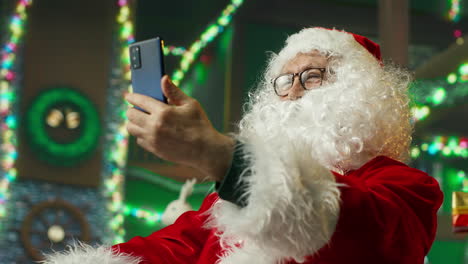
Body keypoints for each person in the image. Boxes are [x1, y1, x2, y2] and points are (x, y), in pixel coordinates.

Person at [42, 27, 443, 264]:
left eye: (313, 76)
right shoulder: (235, 198)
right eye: (284, 81)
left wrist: (213, 153)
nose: (294, 93)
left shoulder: (407, 188)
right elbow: (178, 246)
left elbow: (360, 230)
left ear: (361, 92)